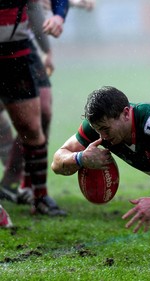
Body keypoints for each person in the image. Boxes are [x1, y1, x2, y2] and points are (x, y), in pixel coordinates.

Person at [51, 86, 150, 232]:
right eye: (98, 130)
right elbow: (57, 162)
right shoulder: (99, 127)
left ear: (126, 113)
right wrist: (80, 158)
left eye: (106, 130)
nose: (102, 137)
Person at [0, 0, 68, 217]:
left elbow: (46, 5)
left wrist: (58, 16)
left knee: (31, 125)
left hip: (15, 52)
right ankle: (12, 184)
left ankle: (38, 195)